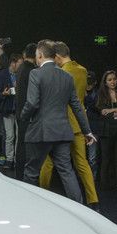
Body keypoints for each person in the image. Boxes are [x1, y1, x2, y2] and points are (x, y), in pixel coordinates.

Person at [20, 40, 96, 203]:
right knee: (67, 172)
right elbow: (77, 106)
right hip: (62, 132)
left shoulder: (36, 74)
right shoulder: (67, 76)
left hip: (41, 131)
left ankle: (28, 207)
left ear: (40, 55)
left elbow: (32, 103)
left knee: (31, 172)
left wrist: (23, 117)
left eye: (36, 55)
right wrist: (87, 131)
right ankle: (78, 208)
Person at [39, 42, 99, 208]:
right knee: (82, 163)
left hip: (61, 124)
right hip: (78, 124)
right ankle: (93, 199)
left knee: (48, 162)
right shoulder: (83, 70)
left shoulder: (60, 73)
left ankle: (41, 194)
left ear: (57, 57)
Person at [96, 70, 117, 189]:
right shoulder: (101, 94)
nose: (113, 82)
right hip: (107, 129)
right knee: (106, 158)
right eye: (110, 80)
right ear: (105, 82)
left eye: (114, 79)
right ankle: (104, 184)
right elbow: (104, 113)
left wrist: (111, 110)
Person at [12, 44, 37, 180]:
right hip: (27, 115)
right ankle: (25, 177)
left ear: (25, 54)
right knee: (27, 148)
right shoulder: (31, 70)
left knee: (20, 145)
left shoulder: (21, 68)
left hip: (20, 112)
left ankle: (19, 175)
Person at [0, 53, 22, 169]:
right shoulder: (3, 74)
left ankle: (17, 159)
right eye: (19, 63)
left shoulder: (21, 74)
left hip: (19, 110)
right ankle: (9, 159)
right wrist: (3, 93)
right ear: (13, 63)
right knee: (10, 136)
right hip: (7, 109)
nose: (21, 66)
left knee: (19, 136)